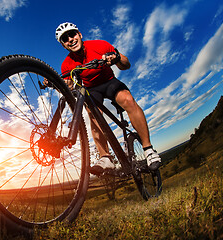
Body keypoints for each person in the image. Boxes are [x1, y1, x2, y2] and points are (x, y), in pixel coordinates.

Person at [54, 22, 161, 175]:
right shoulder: (67, 64)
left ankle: (148, 149)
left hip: (109, 81)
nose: (70, 39)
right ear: (64, 45)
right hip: (92, 89)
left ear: (80, 35)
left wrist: (116, 58)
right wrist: (56, 83)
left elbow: (126, 64)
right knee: (93, 116)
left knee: (128, 100)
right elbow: (70, 85)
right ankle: (105, 157)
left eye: (72, 34)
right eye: (65, 39)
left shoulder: (100, 45)